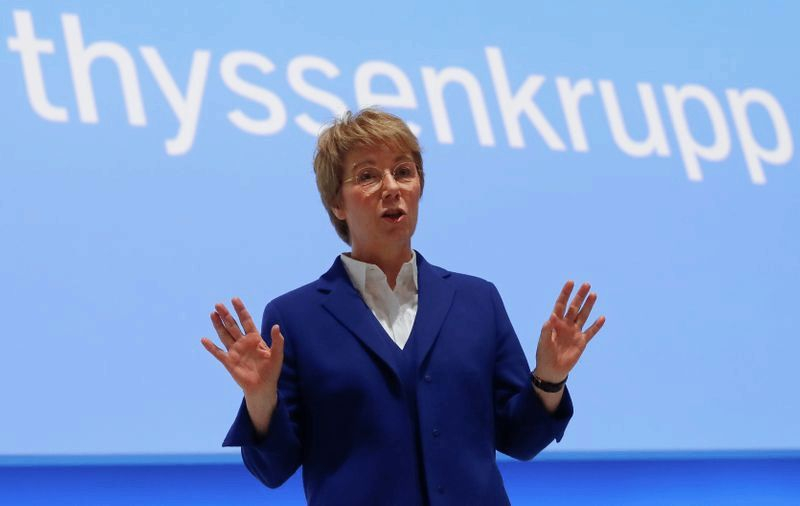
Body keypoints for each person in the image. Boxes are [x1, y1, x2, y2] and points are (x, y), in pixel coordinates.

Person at [201, 108, 605, 505]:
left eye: (403, 171)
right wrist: (260, 399)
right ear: (337, 203)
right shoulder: (294, 318)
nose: (391, 187)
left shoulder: (478, 300)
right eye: (368, 176)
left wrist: (549, 379)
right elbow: (272, 469)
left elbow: (521, 439)